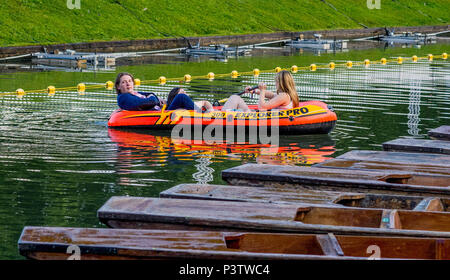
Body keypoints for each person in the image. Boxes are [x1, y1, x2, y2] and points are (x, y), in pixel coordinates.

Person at [221, 70, 299, 112]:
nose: (275, 83)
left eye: (276, 81)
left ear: (281, 82)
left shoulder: (284, 96)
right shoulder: (287, 95)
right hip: (262, 116)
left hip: (261, 118)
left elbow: (262, 107)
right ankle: (218, 113)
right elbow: (271, 95)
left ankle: (217, 117)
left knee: (234, 98)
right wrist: (254, 91)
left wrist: (262, 90)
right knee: (235, 98)